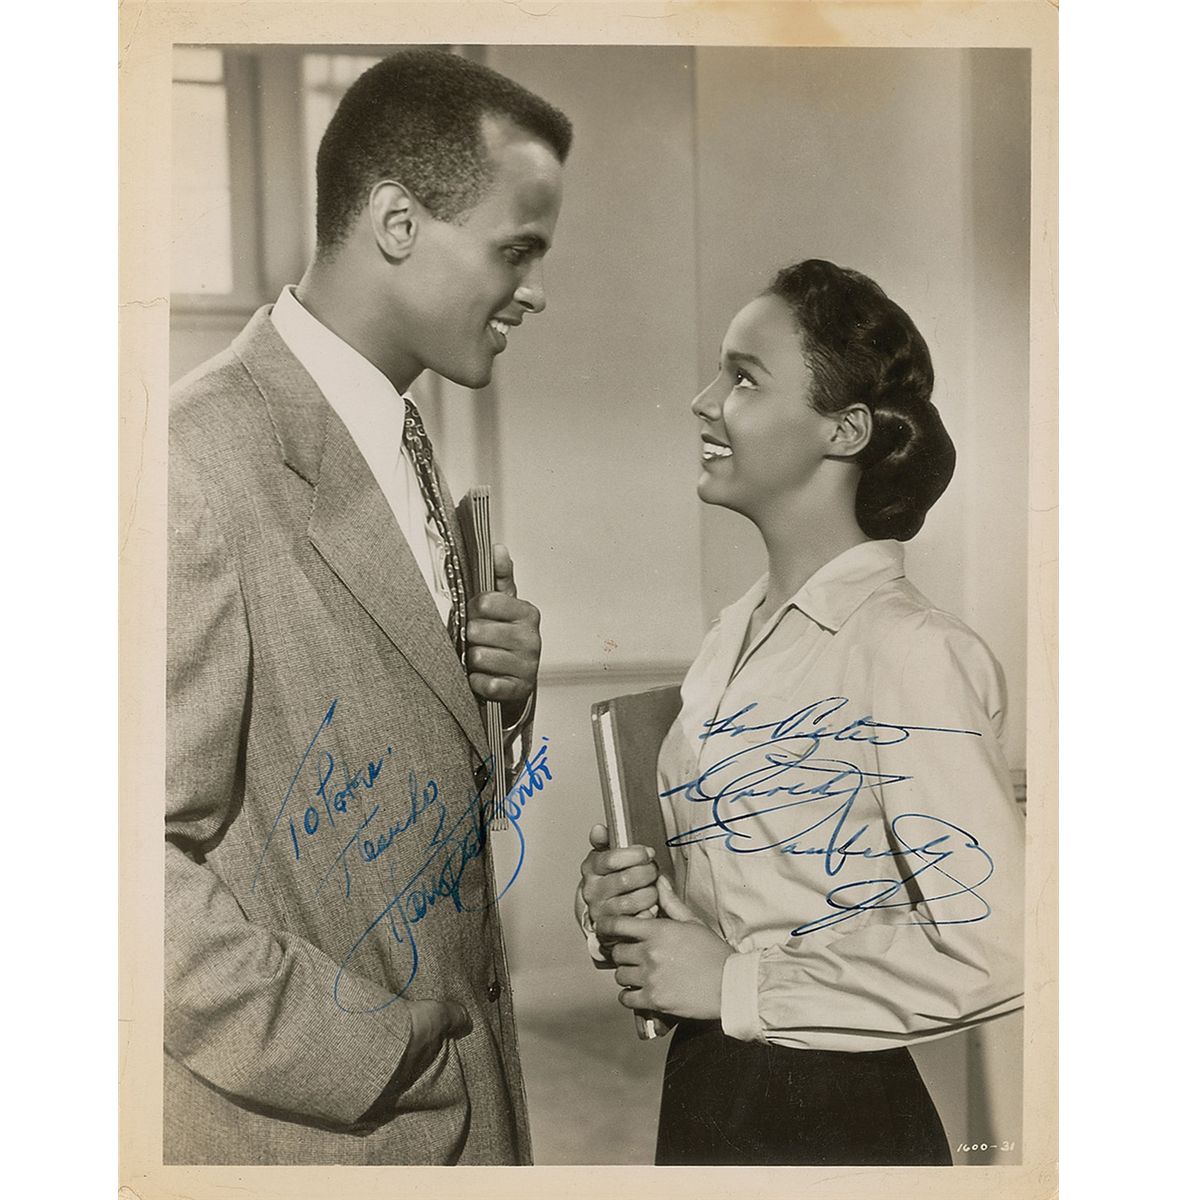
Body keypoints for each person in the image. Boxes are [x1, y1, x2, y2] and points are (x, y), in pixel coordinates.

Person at [165, 49, 571, 1165]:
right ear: (396, 221)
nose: (535, 287)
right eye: (516, 250)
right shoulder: (191, 461)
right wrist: (367, 1047)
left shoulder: (393, 433)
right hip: (325, 1136)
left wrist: (497, 699)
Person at [578, 259, 1025, 1166]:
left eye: (742, 377)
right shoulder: (727, 640)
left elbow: (1002, 952)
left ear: (845, 429)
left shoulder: (909, 651)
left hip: (835, 1118)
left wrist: (738, 985)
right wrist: (623, 905)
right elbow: (733, 902)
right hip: (706, 1093)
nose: (704, 402)